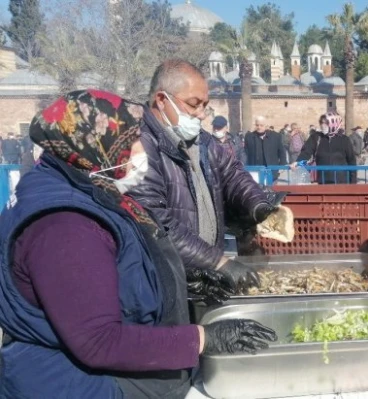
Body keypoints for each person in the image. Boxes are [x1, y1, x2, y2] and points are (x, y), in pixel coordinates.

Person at [0, 90, 277, 398]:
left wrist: (186, 282)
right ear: (96, 145)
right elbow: (99, 341)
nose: (140, 148)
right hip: (80, 385)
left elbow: (117, 272)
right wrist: (203, 339)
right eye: (131, 139)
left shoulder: (89, 186)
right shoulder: (64, 227)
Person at [125, 59, 277, 284]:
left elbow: (233, 173)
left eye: (204, 105)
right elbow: (154, 222)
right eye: (193, 104)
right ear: (161, 100)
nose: (201, 114)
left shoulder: (202, 141)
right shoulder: (140, 146)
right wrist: (218, 262)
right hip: (168, 281)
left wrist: (258, 204)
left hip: (204, 277)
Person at [293, 112, 357, 184]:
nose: (323, 126)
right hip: (323, 180)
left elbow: (351, 161)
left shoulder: (344, 140)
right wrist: (298, 162)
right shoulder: (316, 137)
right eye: (321, 123)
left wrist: (353, 182)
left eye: (326, 123)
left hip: (341, 181)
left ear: (334, 123)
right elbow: (306, 152)